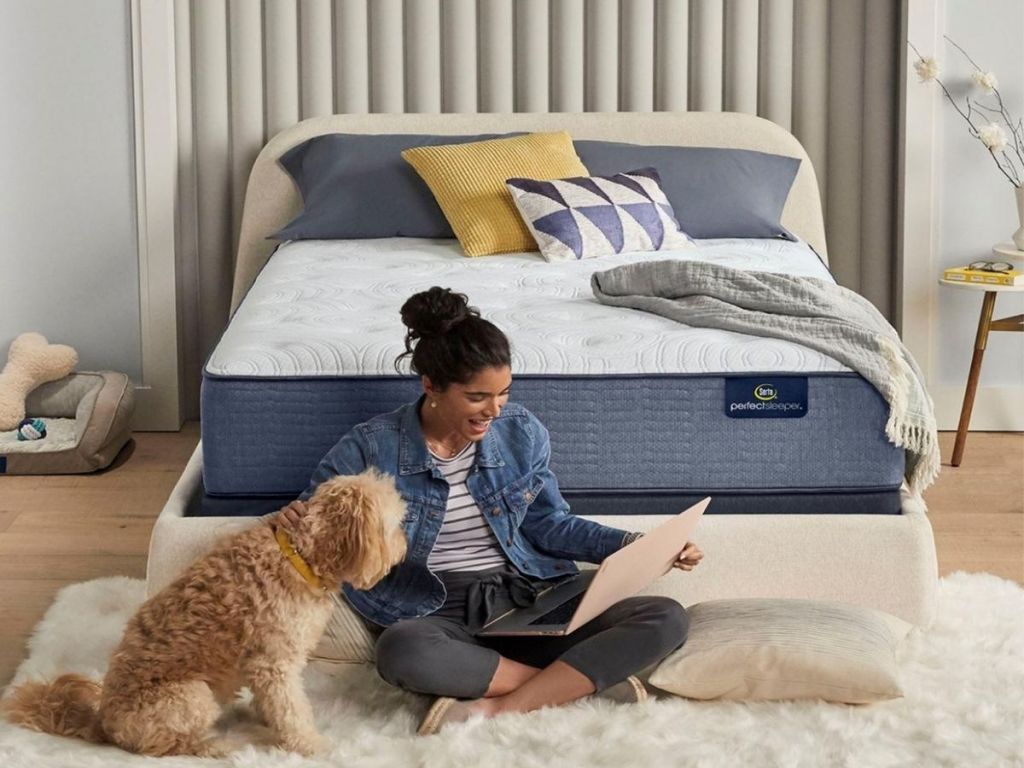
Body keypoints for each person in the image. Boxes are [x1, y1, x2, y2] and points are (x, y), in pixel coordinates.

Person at [280, 286, 703, 734]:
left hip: (533, 596)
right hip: (436, 611)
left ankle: (502, 707)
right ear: (432, 387)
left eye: (503, 393)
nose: (494, 410)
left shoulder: (520, 431)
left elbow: (549, 523)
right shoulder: (370, 446)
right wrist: (298, 524)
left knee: (665, 615)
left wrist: (639, 546)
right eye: (478, 396)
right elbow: (321, 524)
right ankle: (568, 688)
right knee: (402, 652)